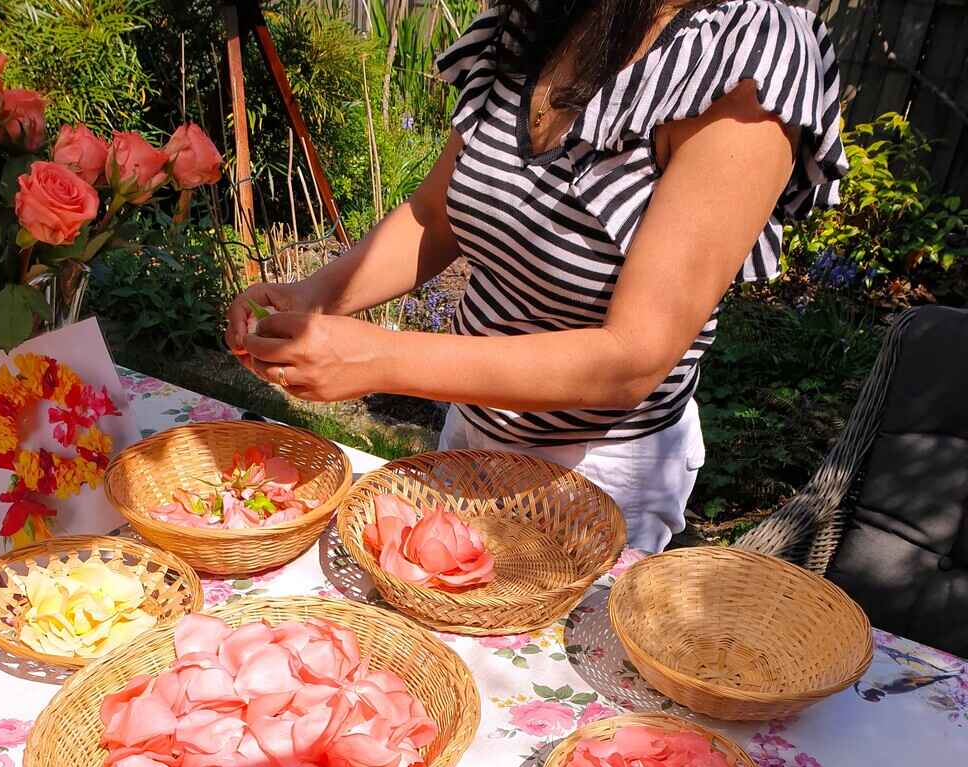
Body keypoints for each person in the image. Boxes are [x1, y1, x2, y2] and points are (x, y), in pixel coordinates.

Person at [226, 0, 846, 553]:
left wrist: (380, 359)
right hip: (470, 428)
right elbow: (434, 215)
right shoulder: (544, 18)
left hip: (593, 476)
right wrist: (315, 298)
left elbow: (630, 361)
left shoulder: (744, 53)